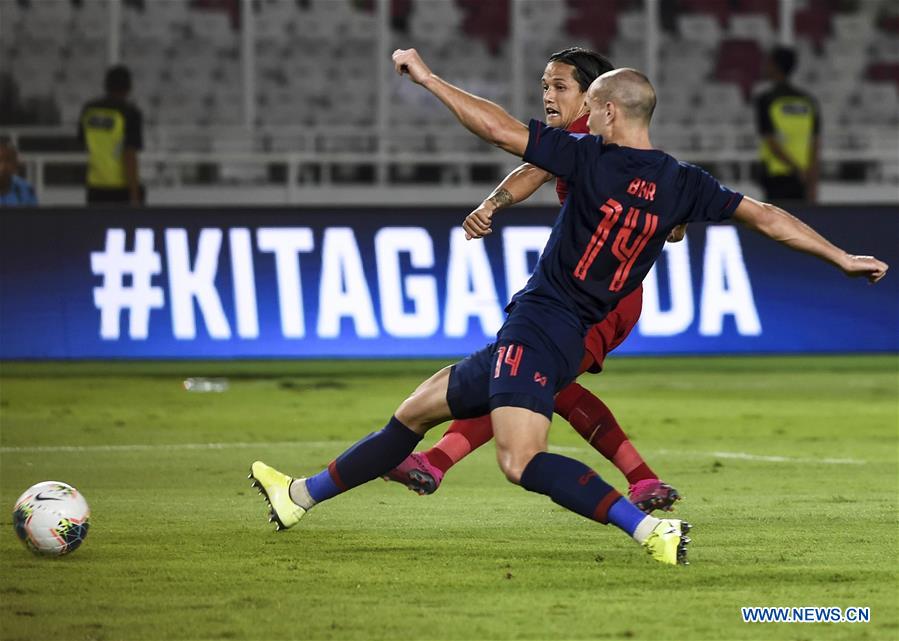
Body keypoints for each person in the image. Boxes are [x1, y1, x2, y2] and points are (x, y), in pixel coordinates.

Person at [249, 50, 887, 567]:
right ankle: (298, 496)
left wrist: (428, 77)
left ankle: (648, 530)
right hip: (560, 328)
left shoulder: (590, 158)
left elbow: (499, 129)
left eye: (586, 105)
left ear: (606, 112)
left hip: (542, 324)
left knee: (518, 461)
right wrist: (841, 257)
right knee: (415, 411)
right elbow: (768, 217)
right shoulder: (684, 184)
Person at [383, 48, 682, 513]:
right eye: (545, 86)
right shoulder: (593, 138)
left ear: (593, 97)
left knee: (520, 378)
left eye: (560, 86)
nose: (547, 95)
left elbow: (525, 156)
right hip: (595, 294)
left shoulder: (595, 140)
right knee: (534, 380)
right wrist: (492, 204)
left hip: (600, 299)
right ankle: (643, 480)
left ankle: (436, 460)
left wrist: (491, 206)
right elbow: (536, 169)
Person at [754, 46, 820, 202]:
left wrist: (795, 169)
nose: (765, 67)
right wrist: (812, 182)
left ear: (776, 66)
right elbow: (815, 144)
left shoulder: (766, 100)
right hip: (803, 178)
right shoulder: (808, 101)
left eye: (768, 63)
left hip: (777, 176)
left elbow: (771, 141)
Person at [78, 65, 145, 205]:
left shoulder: (89, 110)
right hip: (121, 187)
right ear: (129, 87)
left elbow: (84, 143)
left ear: (106, 85)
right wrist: (135, 194)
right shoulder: (129, 112)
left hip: (94, 185)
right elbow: (129, 154)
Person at [0, 138, 38, 206]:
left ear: (15, 164)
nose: (3, 166)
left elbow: (34, 216)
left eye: (8, 160)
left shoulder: (26, 189)